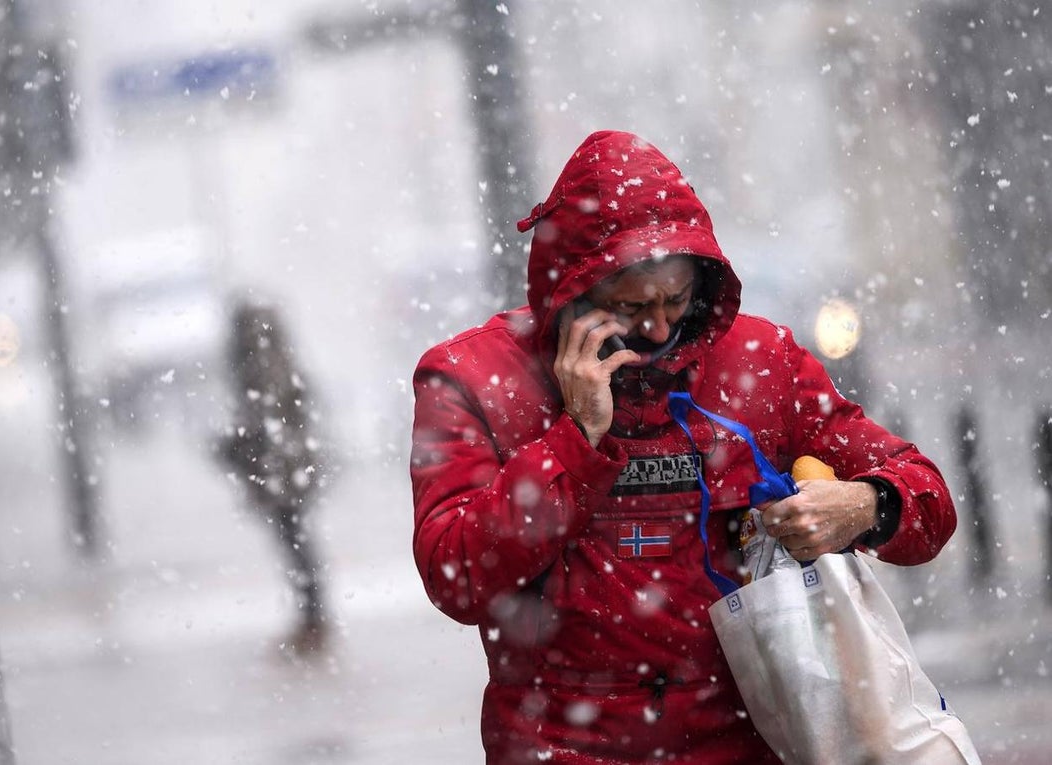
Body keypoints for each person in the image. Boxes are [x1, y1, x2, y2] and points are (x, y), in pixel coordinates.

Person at [409, 130, 957, 763]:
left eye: (676, 300)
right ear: (572, 292)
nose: (659, 327)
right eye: (630, 307)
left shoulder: (761, 363)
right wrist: (575, 439)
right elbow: (457, 575)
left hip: (753, 738)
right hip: (562, 745)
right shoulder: (473, 379)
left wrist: (864, 507)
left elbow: (929, 502)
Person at [217, 298, 331, 655]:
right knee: (296, 543)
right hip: (285, 466)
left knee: (295, 543)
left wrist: (242, 445)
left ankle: (313, 622)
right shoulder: (273, 358)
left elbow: (269, 414)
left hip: (282, 467)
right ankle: (312, 619)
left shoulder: (261, 363)